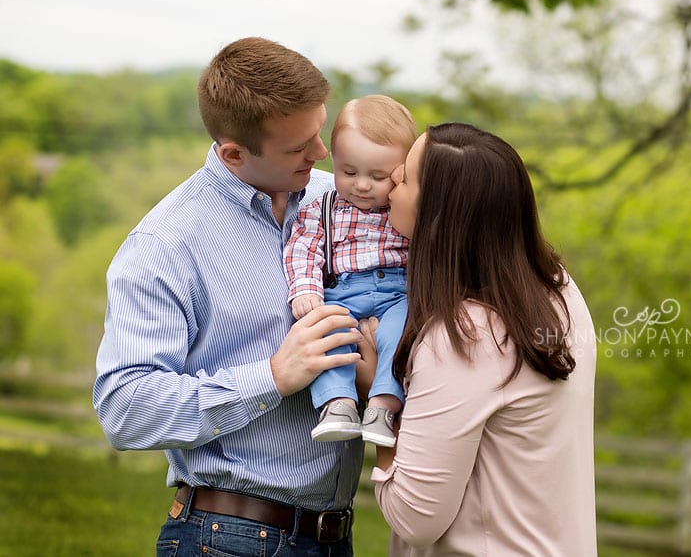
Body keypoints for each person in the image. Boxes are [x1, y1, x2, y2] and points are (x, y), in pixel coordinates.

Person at [93, 37, 373, 556]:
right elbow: (124, 409)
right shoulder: (166, 244)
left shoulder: (341, 201)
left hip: (335, 537)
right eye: (299, 146)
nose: (321, 153)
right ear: (234, 154)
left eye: (320, 131)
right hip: (226, 538)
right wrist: (272, 377)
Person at [367, 122, 598, 555]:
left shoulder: (465, 338)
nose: (393, 177)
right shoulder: (560, 294)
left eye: (407, 177)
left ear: (439, 217)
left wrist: (378, 392)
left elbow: (413, 518)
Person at [284, 95, 415, 448]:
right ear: (335, 161)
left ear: (402, 172)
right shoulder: (322, 208)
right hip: (341, 292)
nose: (362, 185)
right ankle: (338, 404)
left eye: (378, 176)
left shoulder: (405, 209)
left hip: (397, 294)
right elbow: (303, 248)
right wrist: (306, 289)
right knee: (328, 334)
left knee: (399, 336)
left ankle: (383, 406)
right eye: (349, 172)